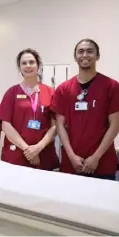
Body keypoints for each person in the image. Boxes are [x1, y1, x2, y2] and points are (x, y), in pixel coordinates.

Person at [50, 39, 119, 180]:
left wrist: (96, 157)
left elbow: (115, 125)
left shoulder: (111, 86)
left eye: (90, 51)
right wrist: (71, 156)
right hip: (72, 163)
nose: (85, 55)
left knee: (101, 202)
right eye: (80, 51)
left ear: (97, 56)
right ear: (75, 57)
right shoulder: (64, 89)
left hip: (102, 163)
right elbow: (60, 125)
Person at [0, 48, 59, 170]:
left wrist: (38, 148)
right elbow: (6, 126)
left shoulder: (50, 92)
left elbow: (55, 126)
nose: (28, 66)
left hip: (43, 154)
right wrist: (27, 150)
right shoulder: (12, 93)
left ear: (38, 65)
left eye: (31, 62)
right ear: (19, 67)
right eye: (24, 63)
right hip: (16, 156)